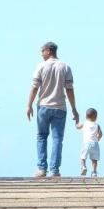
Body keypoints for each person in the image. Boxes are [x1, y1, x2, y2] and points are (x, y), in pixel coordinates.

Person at [26, 41, 78, 177]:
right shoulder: (65, 67)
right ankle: (54, 170)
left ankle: (42, 168)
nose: (41, 53)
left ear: (49, 51)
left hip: (43, 106)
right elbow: (69, 90)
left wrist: (29, 105)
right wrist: (74, 108)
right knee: (57, 139)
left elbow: (34, 88)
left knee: (42, 136)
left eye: (42, 51)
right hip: (60, 107)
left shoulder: (41, 66)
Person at [76, 108, 103, 177]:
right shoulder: (97, 125)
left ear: (86, 116)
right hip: (95, 143)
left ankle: (83, 167)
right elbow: (100, 134)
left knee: (83, 157)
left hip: (86, 143)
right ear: (95, 117)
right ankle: (94, 172)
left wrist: (77, 120)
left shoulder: (84, 123)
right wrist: (98, 139)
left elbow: (77, 127)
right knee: (94, 160)